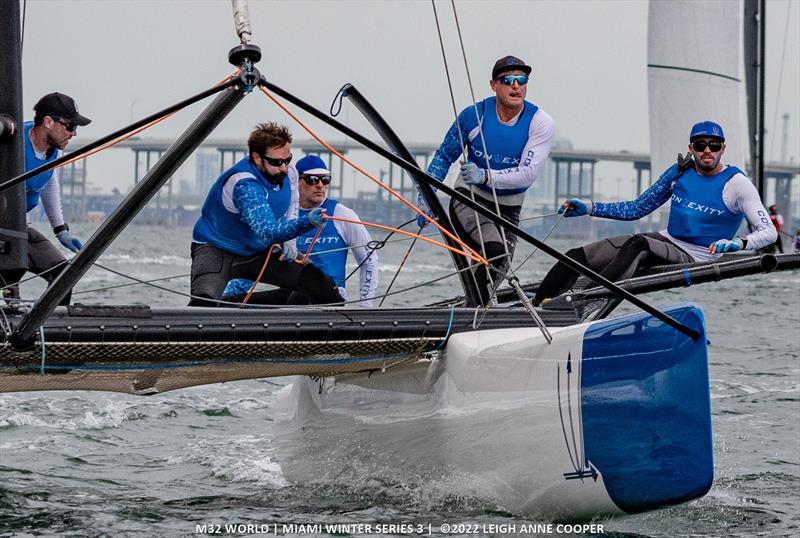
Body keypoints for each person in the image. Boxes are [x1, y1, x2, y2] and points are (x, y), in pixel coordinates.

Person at [534, 120, 777, 305]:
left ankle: (583, 302)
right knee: (577, 255)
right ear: (691, 148)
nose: (707, 151)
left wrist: (738, 243)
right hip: (667, 241)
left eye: (713, 146)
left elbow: (769, 232)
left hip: (697, 256)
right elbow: (637, 208)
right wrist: (589, 208)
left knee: (638, 243)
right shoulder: (680, 171)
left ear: (723, 148)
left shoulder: (737, 183)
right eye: (700, 145)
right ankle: (534, 305)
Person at [424, 54, 555, 305]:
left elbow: (527, 174)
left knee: (497, 270)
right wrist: (425, 197)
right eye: (507, 80)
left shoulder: (540, 123)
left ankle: (471, 312)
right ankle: (473, 314)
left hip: (509, 209)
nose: (515, 85)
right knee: (494, 254)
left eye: (521, 79)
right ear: (494, 85)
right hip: (469, 199)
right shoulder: (474, 116)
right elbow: (443, 157)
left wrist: (484, 175)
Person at [189, 123, 343, 307]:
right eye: (277, 162)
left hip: (257, 250)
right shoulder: (244, 184)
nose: (284, 168)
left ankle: (241, 310)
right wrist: (309, 221)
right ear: (257, 158)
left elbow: (293, 204)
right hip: (216, 249)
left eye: (288, 160)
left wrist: (290, 242)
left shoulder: (290, 173)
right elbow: (267, 231)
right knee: (204, 305)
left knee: (323, 289)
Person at [223, 155, 379, 307]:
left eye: (325, 179)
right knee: (235, 301)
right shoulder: (283, 218)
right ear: (295, 182)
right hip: (293, 293)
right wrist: (229, 297)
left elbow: (369, 259)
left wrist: (365, 306)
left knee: (302, 293)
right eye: (312, 179)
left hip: (330, 296)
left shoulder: (341, 213)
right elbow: (257, 260)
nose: (319, 185)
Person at [6, 93, 90, 306]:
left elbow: (49, 184)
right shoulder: (12, 140)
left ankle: (47, 333)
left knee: (62, 276)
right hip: (3, 231)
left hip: (17, 227)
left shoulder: (54, 152)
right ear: (48, 122)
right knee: (10, 274)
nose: (74, 133)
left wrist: (61, 230)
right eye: (70, 126)